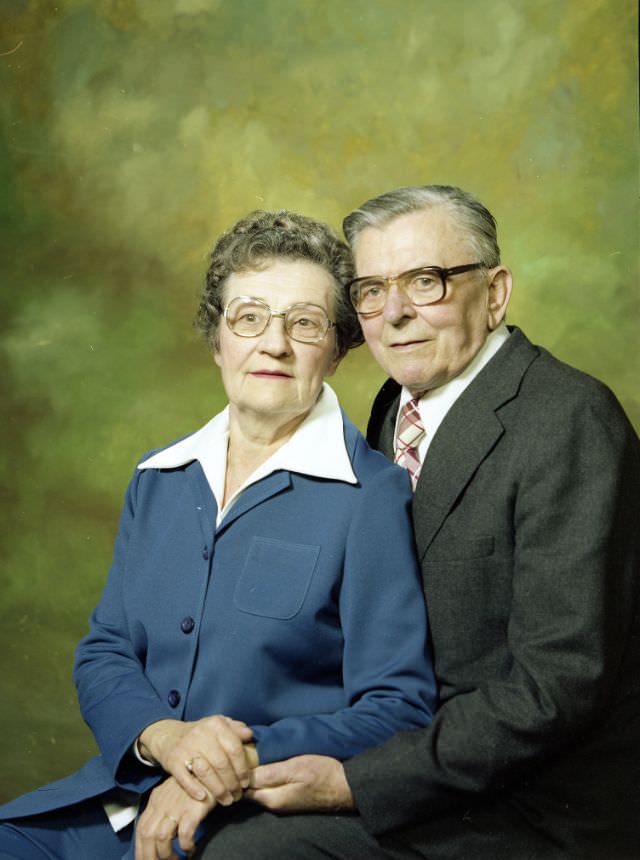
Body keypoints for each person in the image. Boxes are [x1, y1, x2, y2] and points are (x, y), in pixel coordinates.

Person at [194, 186, 640, 860]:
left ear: (494, 293)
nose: (395, 314)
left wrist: (355, 780)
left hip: (530, 807)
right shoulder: (393, 406)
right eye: (371, 290)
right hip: (414, 754)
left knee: (242, 853)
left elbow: (556, 688)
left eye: (424, 282)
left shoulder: (569, 419)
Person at [0, 210, 437, 860]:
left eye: (305, 324)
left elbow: (398, 704)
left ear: (339, 348)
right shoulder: (159, 478)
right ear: (217, 340)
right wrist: (166, 740)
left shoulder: (369, 497)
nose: (275, 344)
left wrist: (226, 764)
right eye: (249, 318)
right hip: (131, 788)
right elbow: (106, 651)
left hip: (256, 810)